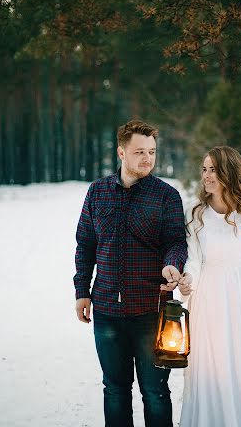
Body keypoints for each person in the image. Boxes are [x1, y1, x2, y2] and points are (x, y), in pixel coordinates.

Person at [73, 119, 187, 427]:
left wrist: (173, 264)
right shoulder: (97, 193)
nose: (147, 158)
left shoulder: (166, 196)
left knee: (155, 392)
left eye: (151, 151)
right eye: (139, 151)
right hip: (107, 309)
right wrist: (82, 291)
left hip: (152, 310)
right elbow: (85, 245)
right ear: (121, 152)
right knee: (115, 391)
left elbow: (176, 241)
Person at [176, 145, 241, 427]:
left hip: (240, 297)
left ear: (229, 173)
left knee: (238, 366)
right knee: (208, 368)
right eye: (204, 169)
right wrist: (188, 281)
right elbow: (195, 260)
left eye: (213, 169)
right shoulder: (196, 214)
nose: (207, 176)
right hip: (206, 300)